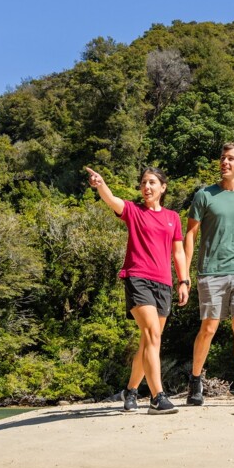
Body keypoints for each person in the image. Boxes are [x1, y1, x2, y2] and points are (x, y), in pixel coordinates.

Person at [86, 166, 189, 414]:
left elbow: (178, 252)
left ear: (163, 187)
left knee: (148, 342)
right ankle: (157, 397)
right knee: (153, 334)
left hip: (163, 283)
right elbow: (112, 200)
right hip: (138, 278)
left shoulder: (172, 217)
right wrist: (101, 184)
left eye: (152, 182)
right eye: (143, 182)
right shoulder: (133, 211)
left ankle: (131, 391)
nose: (147, 187)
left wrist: (183, 280)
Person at [183, 142, 234, 406]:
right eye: (222, 158)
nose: (225, 162)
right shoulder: (205, 196)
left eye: (231, 159)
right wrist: (184, 275)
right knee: (209, 328)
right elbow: (190, 234)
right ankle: (195, 380)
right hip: (211, 272)